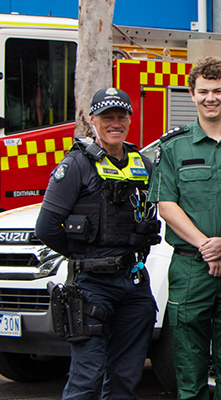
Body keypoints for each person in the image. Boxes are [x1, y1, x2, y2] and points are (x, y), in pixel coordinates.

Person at [148, 56, 221, 400]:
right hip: (190, 269)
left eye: (217, 90)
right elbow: (166, 204)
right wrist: (205, 246)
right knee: (189, 367)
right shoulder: (174, 146)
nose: (210, 97)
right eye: (203, 91)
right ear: (192, 94)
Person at [35, 87, 158, 399]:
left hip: (134, 283)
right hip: (92, 286)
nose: (114, 123)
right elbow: (47, 227)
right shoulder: (76, 165)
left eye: (121, 116)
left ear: (130, 119)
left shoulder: (143, 164)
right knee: (86, 378)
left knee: (125, 378)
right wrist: (85, 255)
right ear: (92, 120)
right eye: (107, 117)